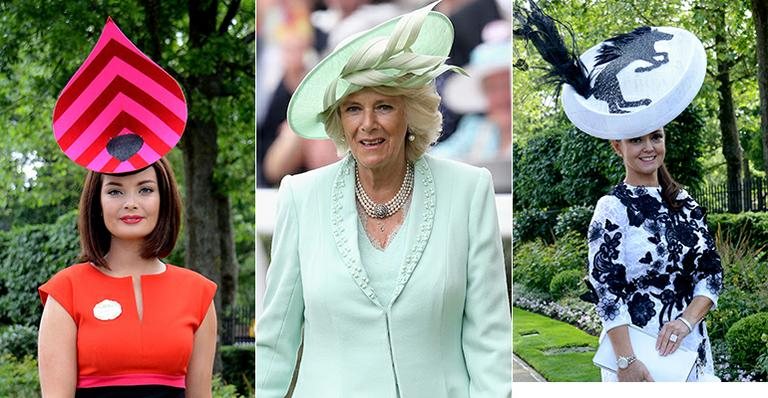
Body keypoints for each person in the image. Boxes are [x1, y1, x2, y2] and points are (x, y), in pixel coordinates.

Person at [257, 2, 512, 397]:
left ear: (410, 112)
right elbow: (276, 340)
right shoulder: (302, 197)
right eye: (353, 108)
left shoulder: (467, 191)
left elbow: (489, 337)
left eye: (384, 106)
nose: (368, 124)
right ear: (338, 119)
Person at [516, 1, 723, 382]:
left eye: (656, 137)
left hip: (692, 351)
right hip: (637, 360)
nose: (649, 147)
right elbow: (606, 292)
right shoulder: (612, 209)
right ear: (618, 147)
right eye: (636, 139)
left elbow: (711, 275)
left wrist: (684, 321)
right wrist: (628, 363)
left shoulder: (687, 203)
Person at [38, 19, 217, 397]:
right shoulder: (65, 292)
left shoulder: (197, 293)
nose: (131, 203)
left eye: (145, 189)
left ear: (164, 198)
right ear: (96, 203)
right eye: (115, 191)